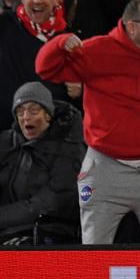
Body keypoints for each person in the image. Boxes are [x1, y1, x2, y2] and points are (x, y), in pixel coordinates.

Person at [36, 0, 140, 244]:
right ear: (131, 26)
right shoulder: (97, 51)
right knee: (93, 251)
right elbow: (45, 68)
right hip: (105, 168)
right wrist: (60, 44)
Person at [0, 82, 85, 245]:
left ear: (48, 114)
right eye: (20, 111)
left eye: (33, 110)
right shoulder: (7, 142)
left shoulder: (70, 149)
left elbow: (51, 203)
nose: (26, 117)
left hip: (49, 234)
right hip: (7, 230)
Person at [0, 0, 74, 130]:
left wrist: (79, 90)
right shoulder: (5, 25)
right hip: (5, 130)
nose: (37, 0)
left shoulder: (68, 40)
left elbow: (74, 95)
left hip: (48, 134)